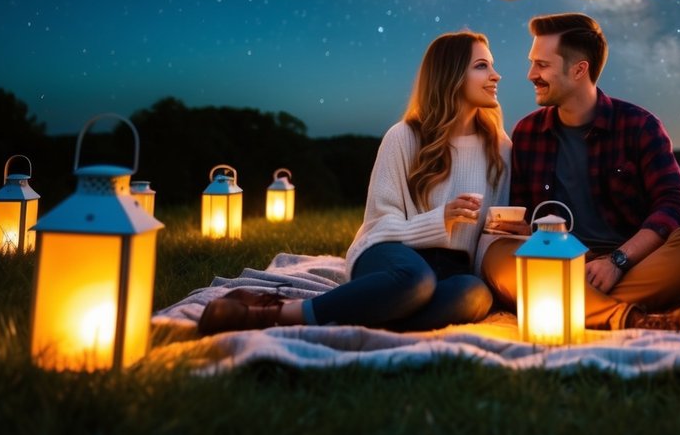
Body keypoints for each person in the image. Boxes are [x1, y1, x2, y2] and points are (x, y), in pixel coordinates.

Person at [198, 31, 511, 335]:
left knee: (474, 295)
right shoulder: (404, 136)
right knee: (415, 281)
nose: (496, 75)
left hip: (452, 268)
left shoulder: (500, 149)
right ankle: (277, 313)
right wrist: (438, 220)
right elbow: (379, 223)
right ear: (450, 74)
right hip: (390, 253)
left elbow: (489, 235)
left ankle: (356, 310)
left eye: (492, 65)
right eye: (481, 66)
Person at [481, 13, 680, 332]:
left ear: (579, 69)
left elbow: (676, 205)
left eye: (542, 65)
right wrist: (517, 228)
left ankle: (569, 303)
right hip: (561, 262)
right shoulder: (528, 132)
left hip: (632, 264)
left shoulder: (639, 126)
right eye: (532, 63)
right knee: (497, 255)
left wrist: (616, 262)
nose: (531, 74)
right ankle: (633, 318)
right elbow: (527, 217)